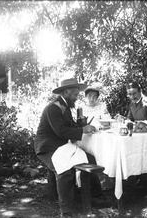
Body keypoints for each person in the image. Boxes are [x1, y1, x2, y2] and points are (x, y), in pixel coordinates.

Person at [34, 78, 106, 217]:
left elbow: (70, 126)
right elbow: (60, 131)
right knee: (65, 169)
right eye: (74, 95)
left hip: (60, 145)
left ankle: (94, 196)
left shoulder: (65, 106)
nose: (76, 98)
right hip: (47, 147)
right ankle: (67, 210)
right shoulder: (53, 108)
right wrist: (82, 130)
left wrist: (82, 126)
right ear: (66, 92)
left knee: (90, 157)